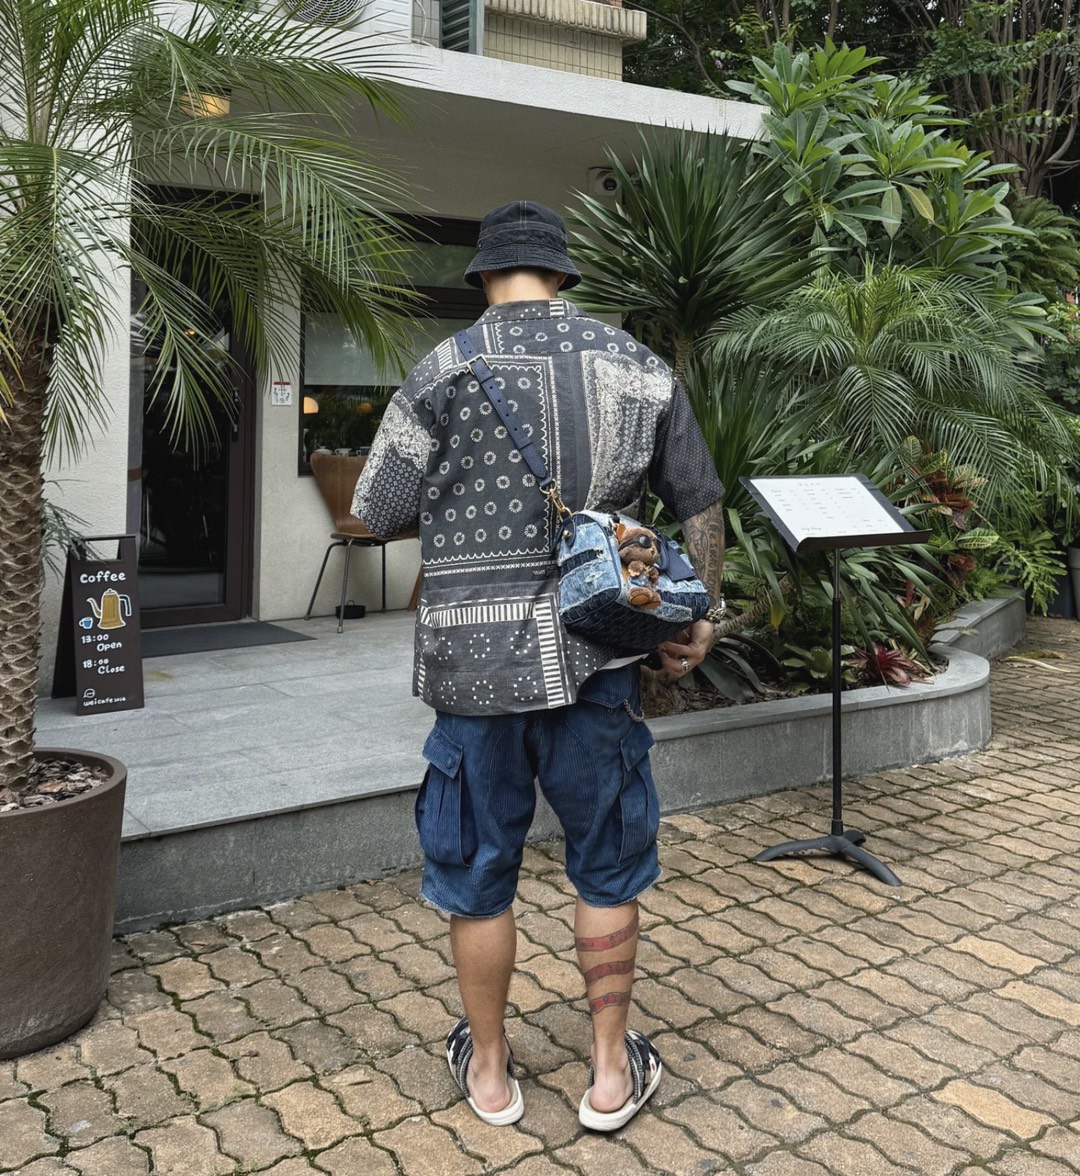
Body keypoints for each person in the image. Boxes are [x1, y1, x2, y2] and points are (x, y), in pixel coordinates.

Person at [354, 200, 725, 1132]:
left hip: (473, 674)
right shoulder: (638, 366)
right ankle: (608, 1074)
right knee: (607, 868)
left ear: (483, 274)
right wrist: (701, 615)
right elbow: (701, 503)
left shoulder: (443, 368)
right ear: (561, 274)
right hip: (599, 658)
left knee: (480, 872)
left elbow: (377, 510)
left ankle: (490, 1074)